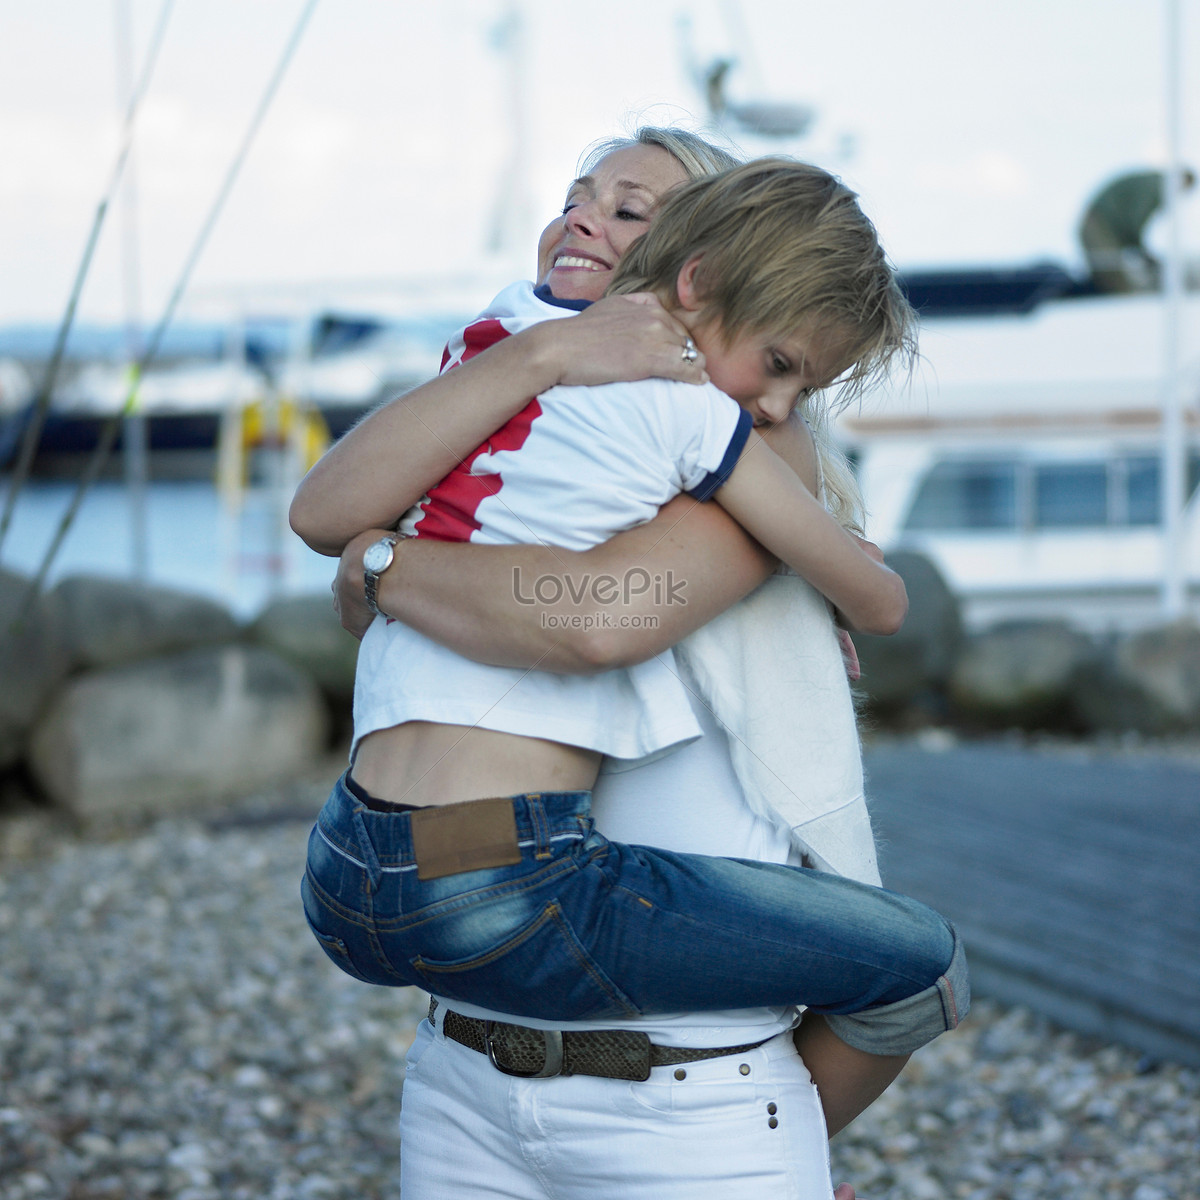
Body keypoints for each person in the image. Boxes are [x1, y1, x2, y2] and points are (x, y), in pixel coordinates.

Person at [293, 132, 964, 1199]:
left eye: (635, 214)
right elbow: (333, 517)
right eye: (578, 199)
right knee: (918, 963)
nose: (590, 226)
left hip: (682, 1106)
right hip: (467, 1068)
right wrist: (533, 365)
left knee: (917, 962)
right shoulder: (522, 382)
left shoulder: (735, 435)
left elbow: (596, 619)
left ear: (697, 264)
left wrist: (381, 562)